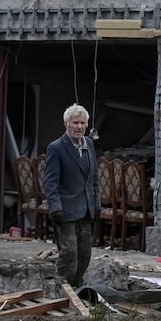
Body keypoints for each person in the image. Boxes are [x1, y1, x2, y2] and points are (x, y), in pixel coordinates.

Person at [42, 104, 101, 288]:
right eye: (75, 122)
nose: (79, 127)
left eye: (83, 123)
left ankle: (77, 290)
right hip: (65, 210)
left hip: (85, 209)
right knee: (69, 255)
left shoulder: (89, 144)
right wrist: (55, 208)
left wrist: (97, 203)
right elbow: (50, 183)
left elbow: (94, 177)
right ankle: (60, 290)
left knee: (85, 254)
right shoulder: (57, 148)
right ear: (66, 124)